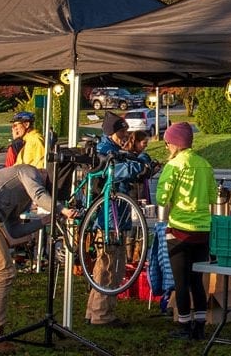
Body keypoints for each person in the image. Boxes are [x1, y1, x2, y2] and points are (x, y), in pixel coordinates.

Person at [0, 164, 77, 353]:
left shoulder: (24, 194)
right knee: (5, 272)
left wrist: (42, 222)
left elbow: (14, 229)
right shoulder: (29, 171)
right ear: (45, 175)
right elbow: (39, 196)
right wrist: (62, 209)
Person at [156, 122, 216, 340]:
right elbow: (212, 197)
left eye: (167, 143)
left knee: (181, 283)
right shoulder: (205, 164)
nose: (166, 147)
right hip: (203, 231)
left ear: (175, 143)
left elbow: (162, 198)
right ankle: (200, 326)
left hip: (180, 230)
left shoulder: (173, 166)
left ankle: (184, 326)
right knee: (196, 281)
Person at [84, 111, 146, 327]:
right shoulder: (105, 152)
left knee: (105, 264)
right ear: (111, 132)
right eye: (121, 131)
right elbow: (119, 172)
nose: (125, 135)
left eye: (125, 131)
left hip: (113, 216)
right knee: (111, 265)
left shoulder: (110, 149)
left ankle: (94, 311)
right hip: (111, 218)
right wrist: (143, 162)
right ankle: (102, 314)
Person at [123, 130, 160, 204]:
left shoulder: (138, 155)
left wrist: (153, 170)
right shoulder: (128, 156)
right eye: (144, 143)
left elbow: (145, 173)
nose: (146, 145)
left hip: (141, 191)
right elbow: (139, 174)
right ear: (136, 142)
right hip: (134, 193)